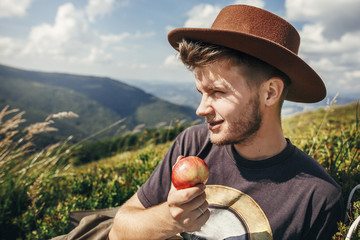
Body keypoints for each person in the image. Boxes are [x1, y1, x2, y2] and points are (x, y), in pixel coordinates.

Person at [109, 4, 344, 240]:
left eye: (217, 92)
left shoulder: (318, 198)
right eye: (201, 92)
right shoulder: (193, 144)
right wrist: (171, 219)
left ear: (270, 93)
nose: (201, 109)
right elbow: (119, 232)